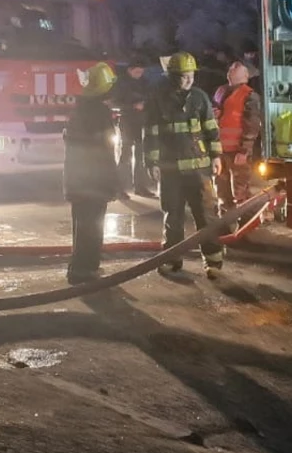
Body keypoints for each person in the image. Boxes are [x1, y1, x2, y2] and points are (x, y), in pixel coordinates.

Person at [144, 51, 225, 278]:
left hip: (200, 171)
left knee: (206, 216)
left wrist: (216, 156)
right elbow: (150, 134)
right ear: (171, 76)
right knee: (174, 217)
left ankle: (213, 262)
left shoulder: (200, 98)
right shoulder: (157, 99)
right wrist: (151, 162)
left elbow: (211, 129)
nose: (189, 79)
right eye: (183, 76)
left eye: (191, 75)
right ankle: (172, 259)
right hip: (171, 171)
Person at [62, 61, 120, 285]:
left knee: (82, 225)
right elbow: (106, 149)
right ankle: (85, 270)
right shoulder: (100, 112)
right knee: (92, 227)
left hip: (78, 179)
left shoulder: (79, 109)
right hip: (94, 180)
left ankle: (79, 267)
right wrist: (113, 183)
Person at [212, 61, 262, 227]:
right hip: (221, 151)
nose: (230, 73)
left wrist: (244, 150)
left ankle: (246, 224)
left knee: (240, 191)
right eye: (230, 70)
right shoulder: (221, 91)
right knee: (221, 189)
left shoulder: (250, 95)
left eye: (234, 71)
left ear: (245, 76)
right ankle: (225, 223)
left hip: (237, 152)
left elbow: (252, 125)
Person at [112, 54, 156, 200]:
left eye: (141, 72)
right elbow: (115, 103)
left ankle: (140, 187)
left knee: (141, 157)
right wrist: (132, 106)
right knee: (125, 157)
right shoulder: (121, 84)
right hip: (127, 122)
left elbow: (151, 98)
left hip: (142, 123)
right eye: (137, 72)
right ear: (130, 70)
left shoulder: (144, 82)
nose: (139, 74)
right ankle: (119, 188)